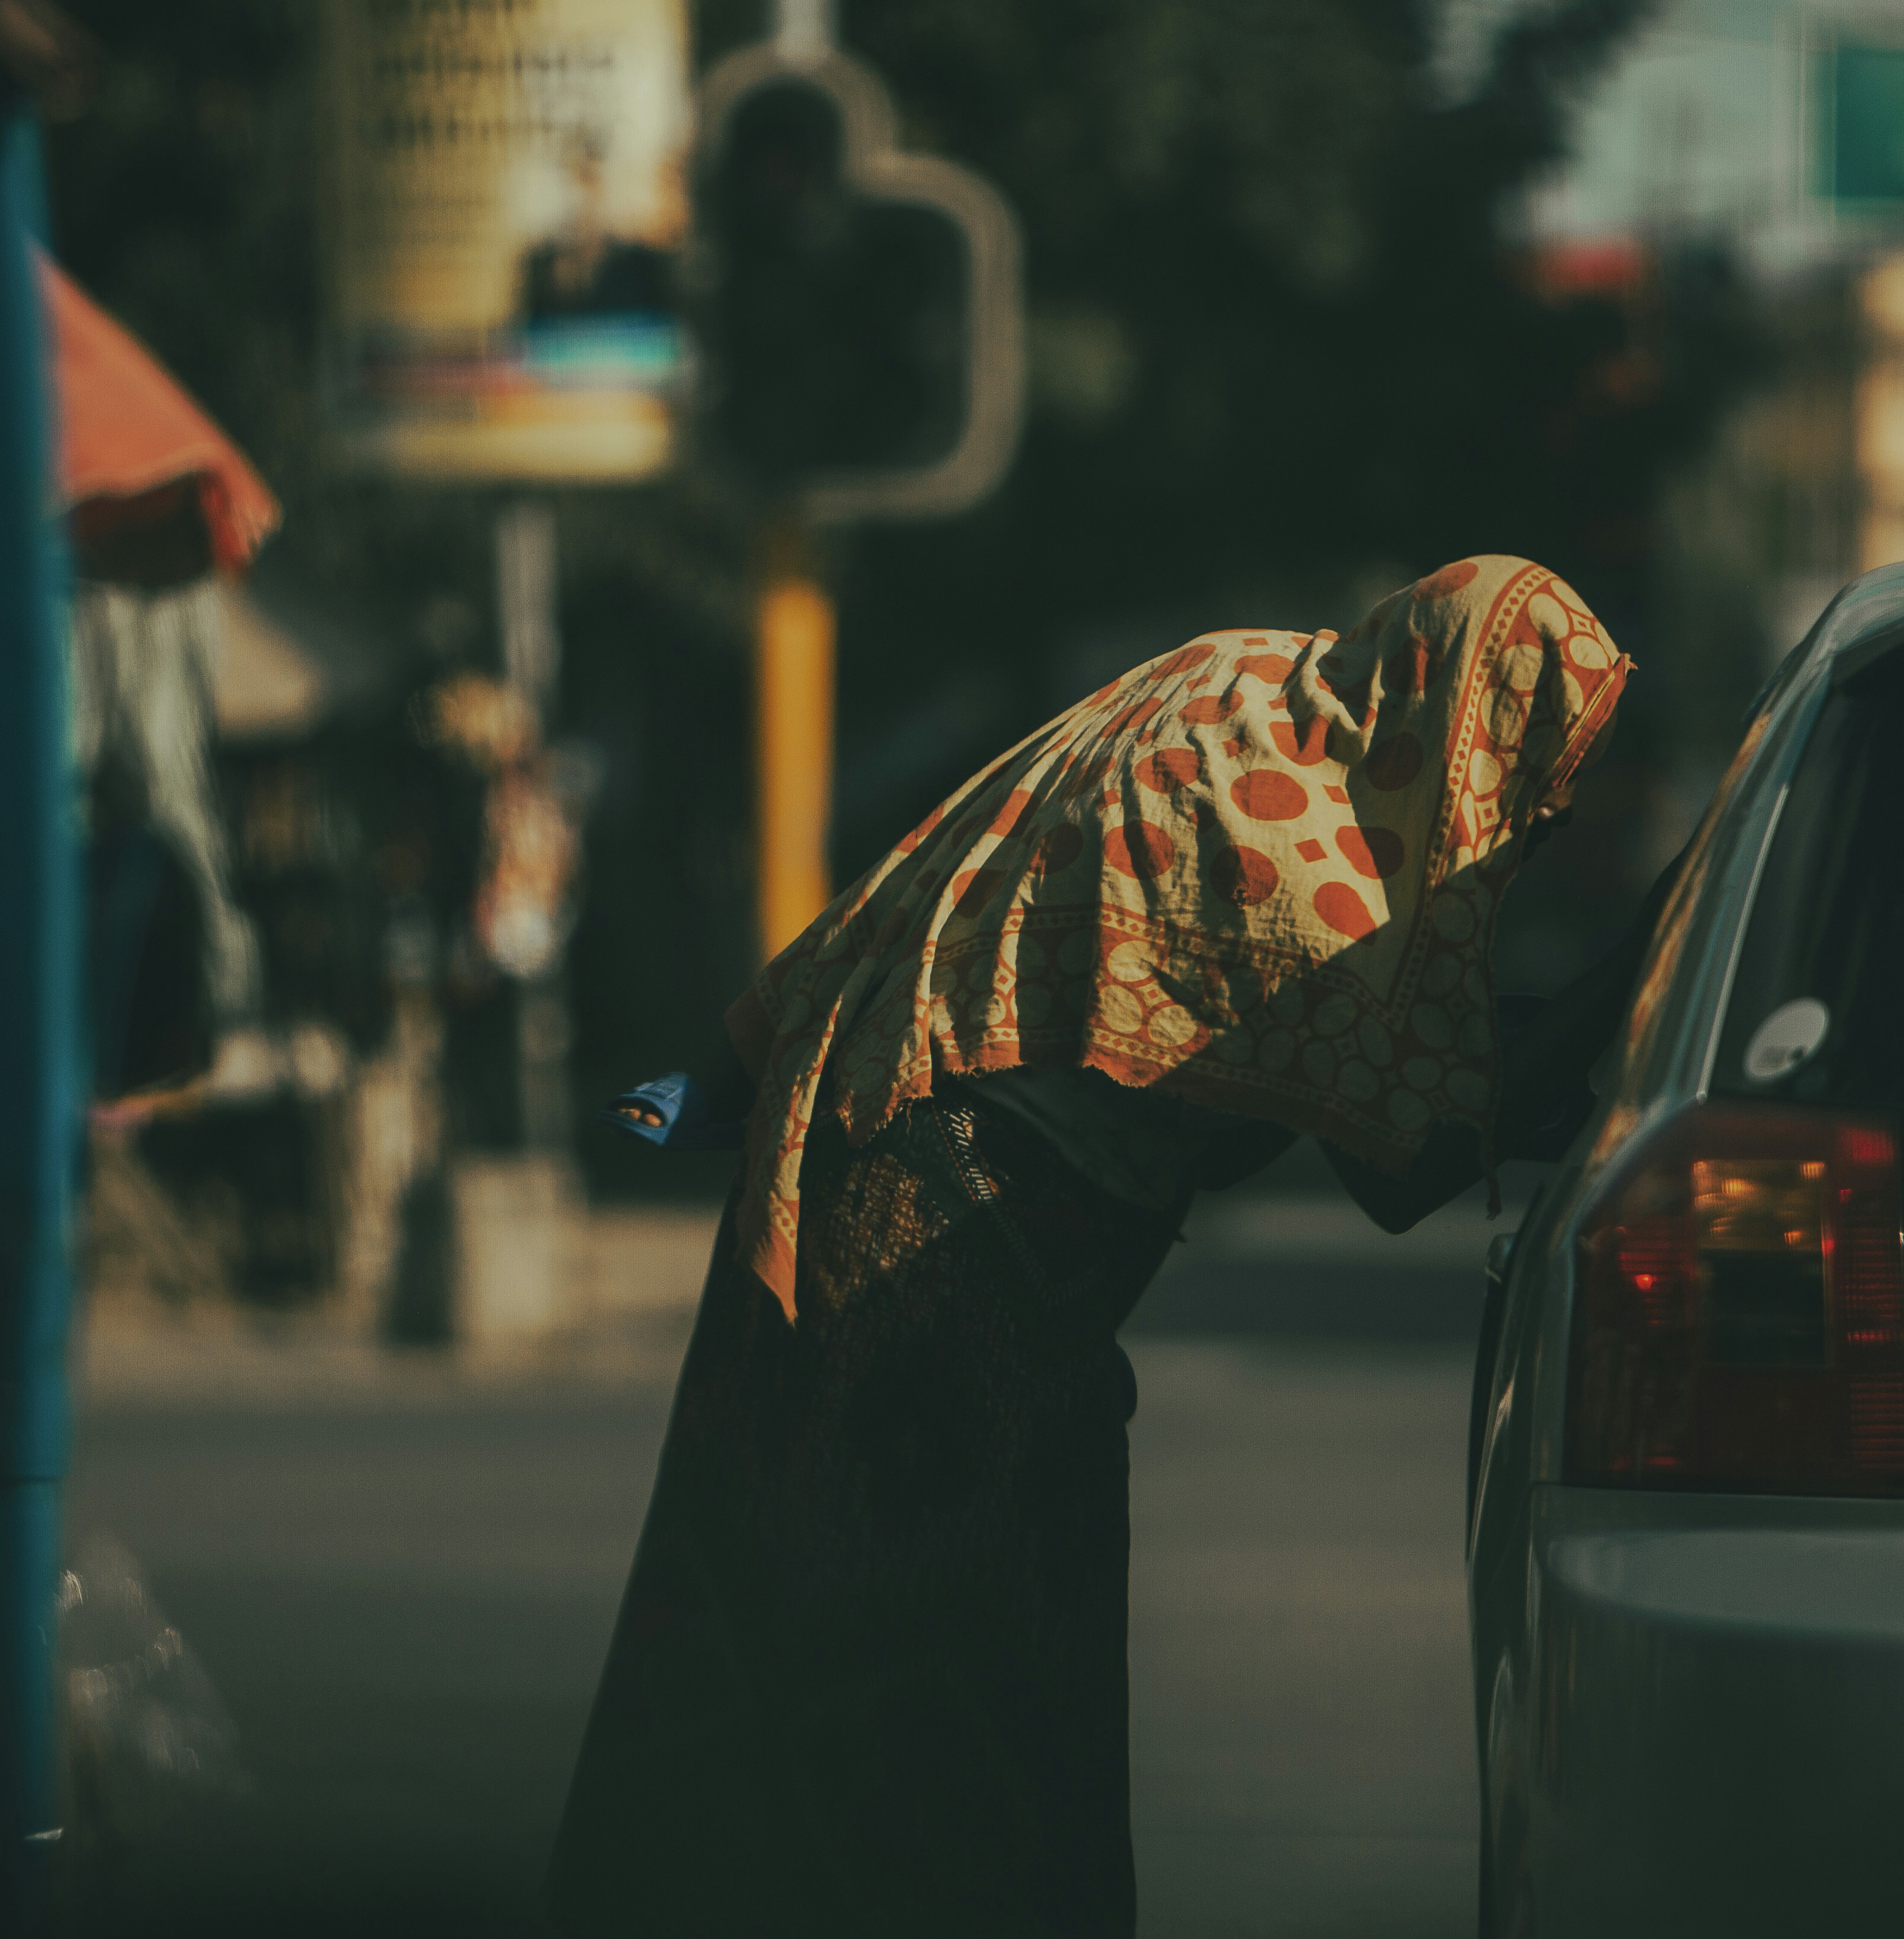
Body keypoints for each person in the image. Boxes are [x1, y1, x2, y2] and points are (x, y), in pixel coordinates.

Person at [544, 556, 1631, 1939]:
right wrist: (1649, 961)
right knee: (977, 1669)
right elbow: (1407, 1162)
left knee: (801, 1605)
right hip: (959, 1242)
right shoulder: (1313, 867)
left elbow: (969, 839)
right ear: (1468, 730)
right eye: (1532, 782)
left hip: (871, 1148)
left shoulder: (1233, 688)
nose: (1533, 824)